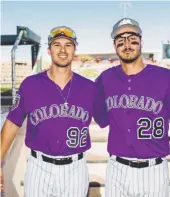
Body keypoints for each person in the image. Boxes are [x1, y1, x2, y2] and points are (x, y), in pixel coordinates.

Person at [1, 26, 107, 197]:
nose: (63, 50)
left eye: (68, 45)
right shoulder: (30, 85)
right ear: (49, 50)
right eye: (57, 45)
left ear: (74, 50)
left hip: (75, 168)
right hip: (39, 167)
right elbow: (13, 122)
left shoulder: (89, 88)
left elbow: (112, 119)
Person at [95, 18, 170, 197]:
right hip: (117, 169)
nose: (127, 44)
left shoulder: (166, 78)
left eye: (132, 38)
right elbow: (101, 119)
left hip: (154, 169)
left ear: (141, 41)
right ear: (115, 46)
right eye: (121, 39)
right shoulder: (104, 79)